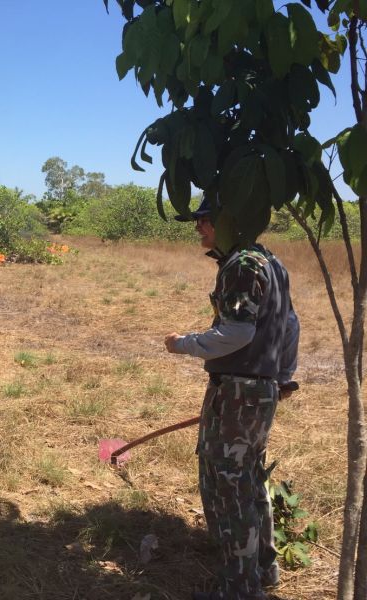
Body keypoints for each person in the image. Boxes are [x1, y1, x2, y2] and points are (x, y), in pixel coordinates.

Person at [164, 195, 300, 600]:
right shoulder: (271, 262)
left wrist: (182, 344)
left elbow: (237, 333)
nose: (199, 228)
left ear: (227, 221)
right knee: (249, 478)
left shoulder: (241, 264)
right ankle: (263, 569)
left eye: (204, 220)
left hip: (238, 393)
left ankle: (239, 588)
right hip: (260, 390)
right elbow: (289, 325)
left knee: (227, 488)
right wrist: (284, 378)